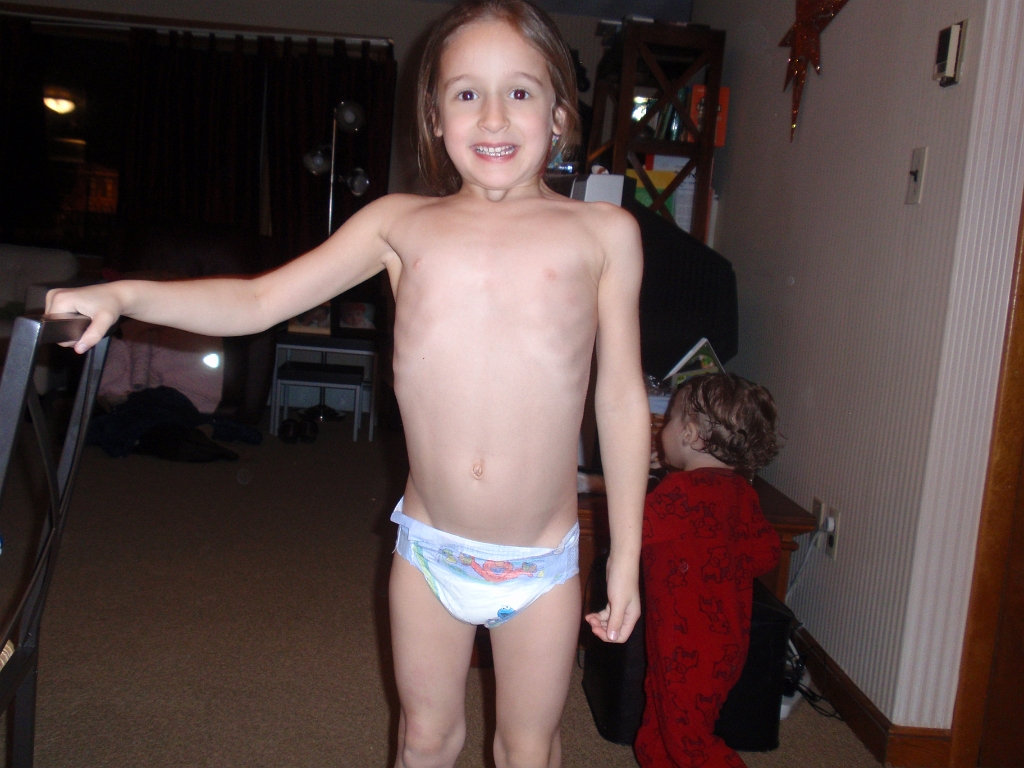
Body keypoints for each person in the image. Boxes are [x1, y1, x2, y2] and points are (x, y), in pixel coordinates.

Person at [47, 2, 650, 766]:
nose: (494, 116)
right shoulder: (399, 224)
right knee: (424, 737)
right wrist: (126, 294)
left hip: (540, 562)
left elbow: (620, 398)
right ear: (434, 117)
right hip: (429, 552)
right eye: (467, 93)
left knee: (528, 749)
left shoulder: (602, 234)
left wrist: (625, 553)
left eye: (520, 92)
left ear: (559, 113)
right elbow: (258, 300)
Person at [636, 373, 782, 768]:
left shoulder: (678, 493)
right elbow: (767, 552)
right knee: (659, 729)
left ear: (689, 435)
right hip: (723, 643)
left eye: (669, 419)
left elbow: (632, 529)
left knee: (688, 739)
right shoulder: (740, 493)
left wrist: (633, 475)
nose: (662, 429)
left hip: (683, 646)